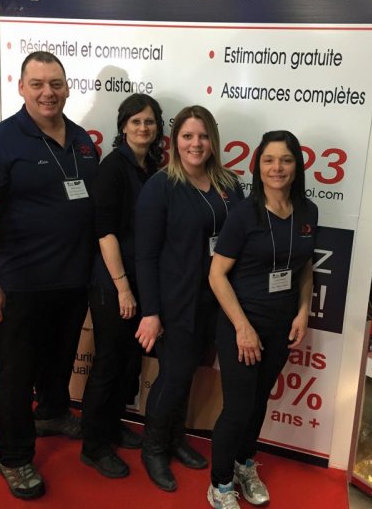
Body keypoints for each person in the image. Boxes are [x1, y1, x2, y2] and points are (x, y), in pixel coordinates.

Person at [0, 51, 98, 500]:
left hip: (73, 280)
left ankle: (53, 412)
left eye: (55, 83)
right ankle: (14, 456)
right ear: (21, 87)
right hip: (21, 283)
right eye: (37, 84)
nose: (47, 93)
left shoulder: (81, 140)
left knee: (59, 360)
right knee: (16, 374)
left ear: (67, 87)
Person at [135, 105, 244, 492]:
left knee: (189, 374)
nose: (195, 144)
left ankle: (176, 438)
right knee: (173, 376)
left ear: (213, 140)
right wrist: (151, 312)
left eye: (202, 136)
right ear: (174, 141)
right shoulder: (161, 186)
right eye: (187, 136)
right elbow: (145, 255)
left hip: (215, 300)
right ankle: (153, 447)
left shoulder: (229, 184)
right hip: (175, 301)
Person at [207, 130, 318, 508]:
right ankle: (220, 484)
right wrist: (242, 328)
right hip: (242, 325)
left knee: (258, 403)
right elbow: (216, 275)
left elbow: (305, 268)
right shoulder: (244, 214)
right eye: (269, 160)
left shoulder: (307, 211)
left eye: (285, 159)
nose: (277, 168)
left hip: (281, 325)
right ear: (258, 166)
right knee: (238, 408)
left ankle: (243, 464)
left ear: (297, 165)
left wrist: (303, 310)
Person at [81, 93, 164, 479]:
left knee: (128, 363)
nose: (143, 128)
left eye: (149, 121)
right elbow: (105, 231)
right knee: (109, 363)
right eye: (136, 121)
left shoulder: (152, 167)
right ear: (123, 126)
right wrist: (123, 288)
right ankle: (93, 446)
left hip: (140, 279)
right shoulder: (113, 167)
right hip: (113, 283)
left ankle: (112, 427)